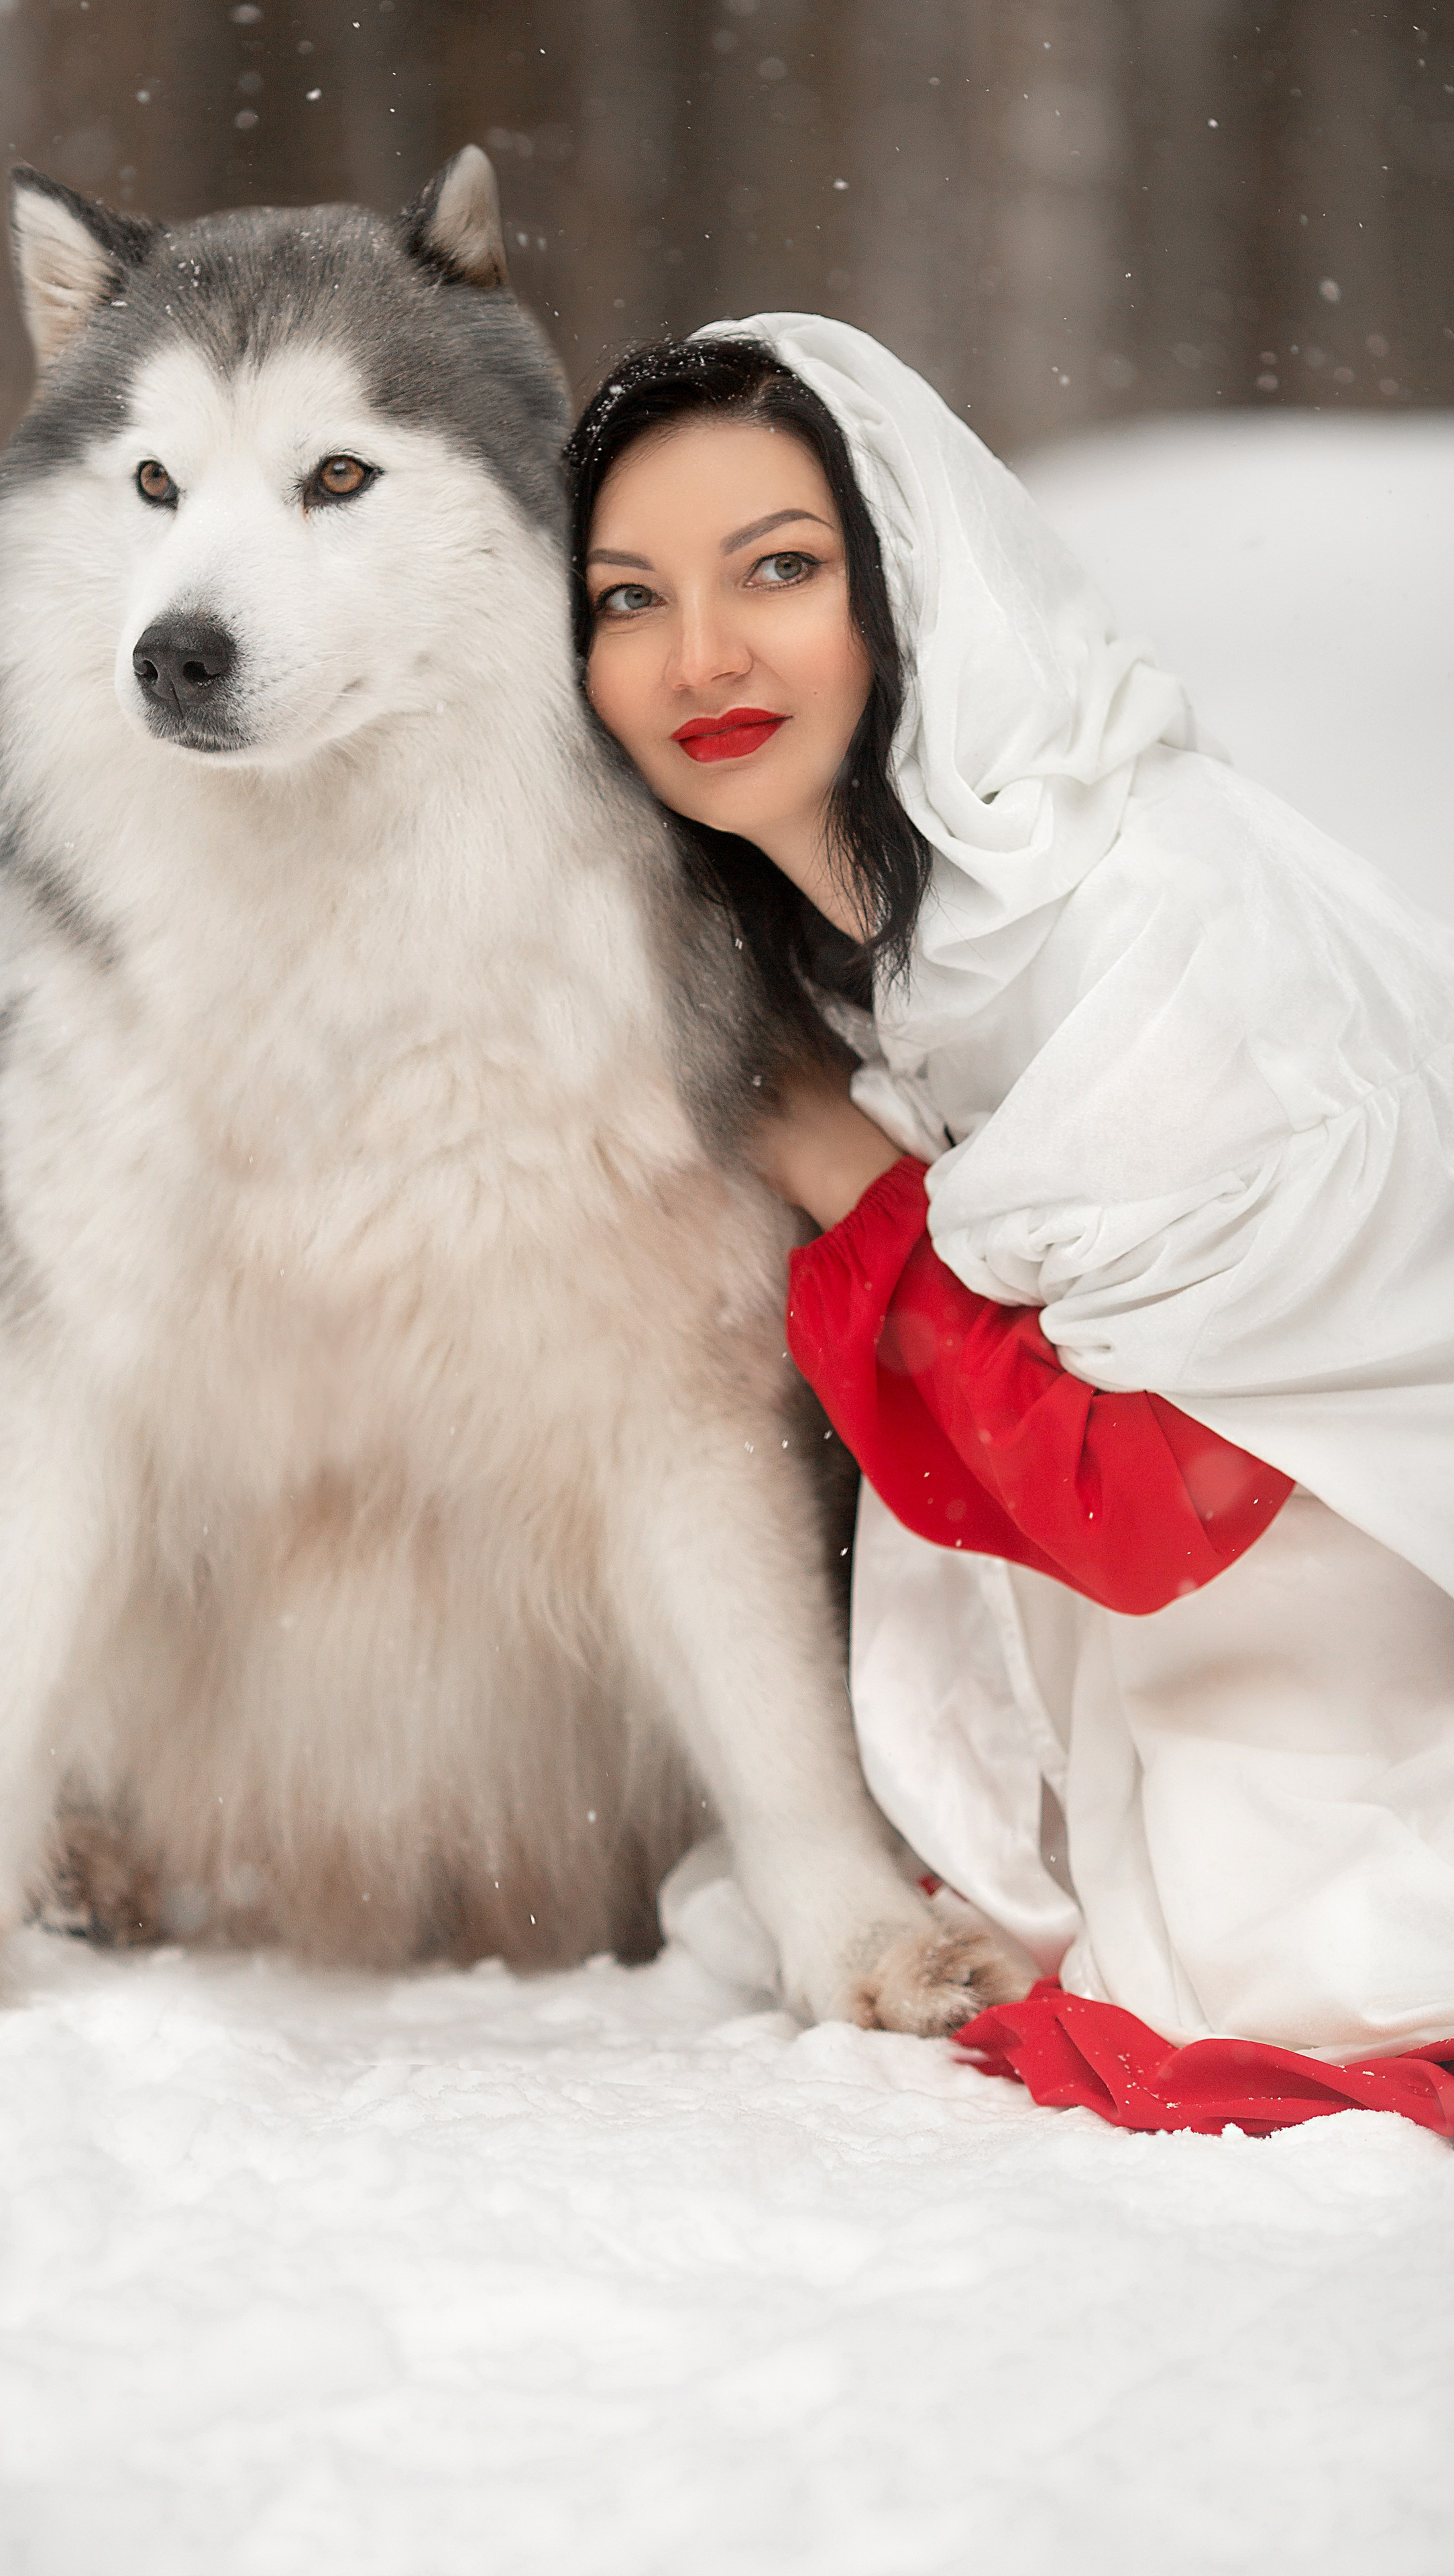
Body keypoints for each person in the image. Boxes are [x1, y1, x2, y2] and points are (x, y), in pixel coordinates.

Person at [566, 317, 1454, 2078]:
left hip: (1348, 1701)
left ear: (915, 585)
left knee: (1270, 1984)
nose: (701, 656)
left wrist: (838, 1162)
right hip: (1169, 1662)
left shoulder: (1148, 931)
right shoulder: (912, 940)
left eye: (781, 571)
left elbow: (1153, 1506)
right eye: (624, 598)